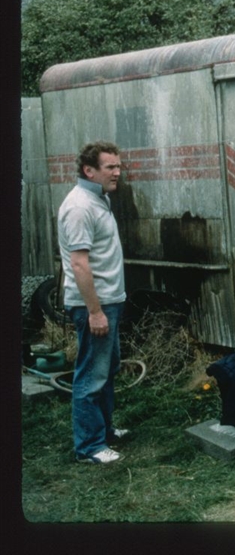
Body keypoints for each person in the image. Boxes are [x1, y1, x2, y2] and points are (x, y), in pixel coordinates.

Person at [58, 141, 129, 464]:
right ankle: (89, 446)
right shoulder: (79, 207)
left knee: (106, 369)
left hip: (109, 302)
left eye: (118, 165)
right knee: (91, 375)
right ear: (89, 170)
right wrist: (95, 311)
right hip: (94, 306)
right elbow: (79, 265)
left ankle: (104, 431)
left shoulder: (98, 198)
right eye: (110, 167)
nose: (118, 171)